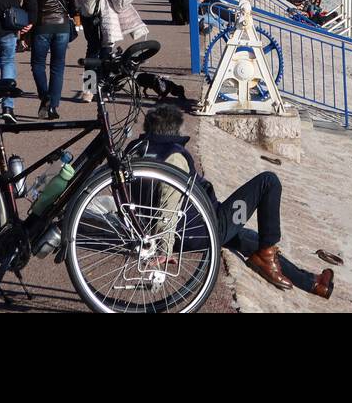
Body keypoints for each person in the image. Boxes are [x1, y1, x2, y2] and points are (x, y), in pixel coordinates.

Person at [133, 104, 333, 297]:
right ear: (175, 129)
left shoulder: (138, 151)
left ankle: (313, 283)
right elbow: (168, 204)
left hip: (180, 228)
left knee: (252, 239)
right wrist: (164, 248)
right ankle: (267, 257)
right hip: (202, 229)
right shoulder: (174, 157)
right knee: (268, 182)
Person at [32, 0, 78, 119]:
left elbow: (32, 7)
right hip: (62, 27)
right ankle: (53, 106)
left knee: (38, 65)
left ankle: (45, 96)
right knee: (57, 67)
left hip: (42, 26)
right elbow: (76, 8)